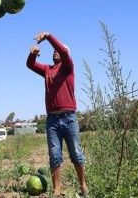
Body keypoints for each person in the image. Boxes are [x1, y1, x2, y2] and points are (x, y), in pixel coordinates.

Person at [26, 32, 88, 197]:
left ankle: (83, 185)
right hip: (52, 120)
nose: (55, 52)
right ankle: (57, 189)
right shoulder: (47, 70)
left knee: (76, 153)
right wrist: (32, 54)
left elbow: (63, 50)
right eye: (53, 51)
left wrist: (48, 37)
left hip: (69, 118)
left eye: (58, 50)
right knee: (54, 155)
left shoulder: (68, 67)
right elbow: (30, 65)